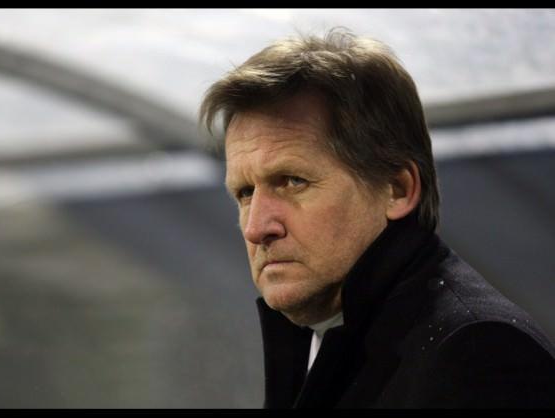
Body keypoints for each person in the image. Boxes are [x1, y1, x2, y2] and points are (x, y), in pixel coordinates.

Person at [198, 27, 555, 408]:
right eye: (245, 193)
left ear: (397, 189)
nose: (256, 228)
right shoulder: (328, 339)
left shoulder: (478, 355)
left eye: (292, 181)